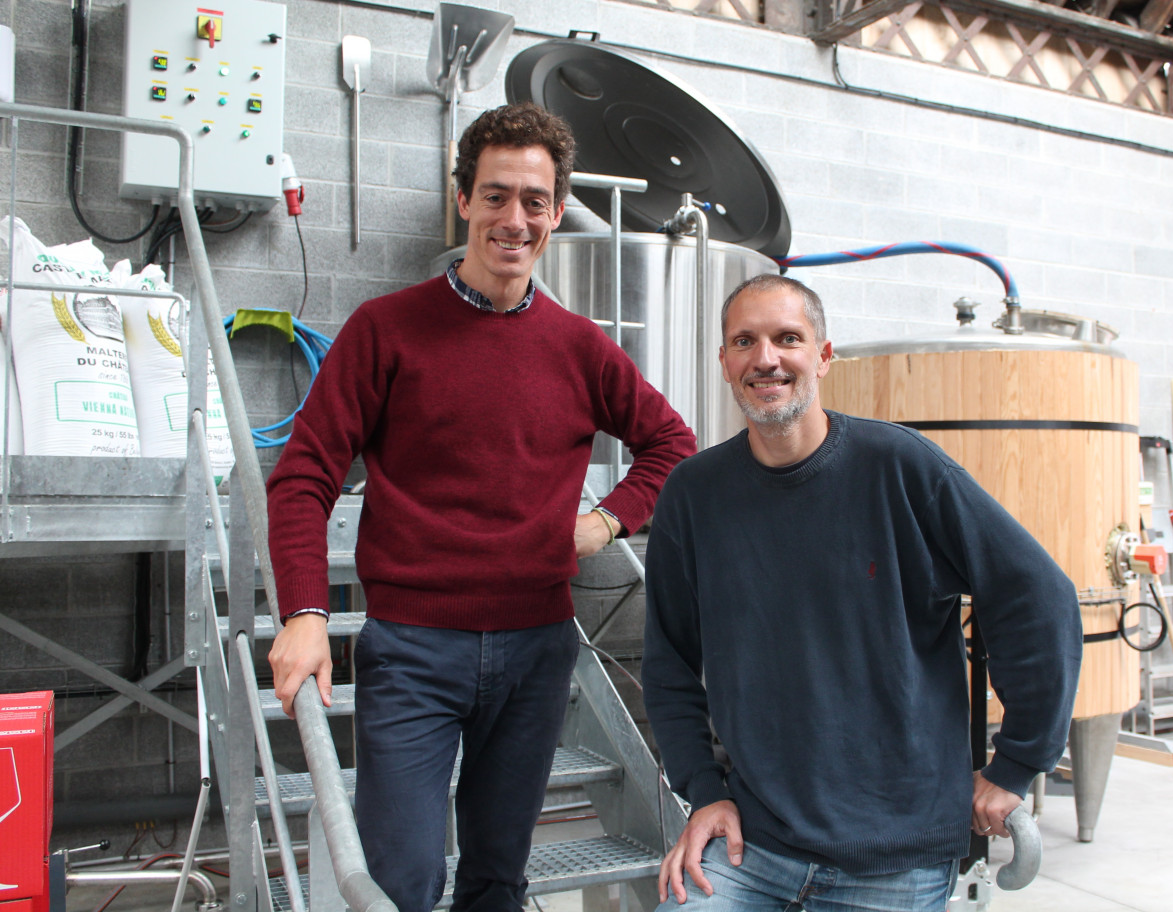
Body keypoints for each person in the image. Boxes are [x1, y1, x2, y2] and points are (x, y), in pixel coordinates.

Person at [266, 101, 695, 912]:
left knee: (498, 878)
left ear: (556, 213)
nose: (514, 218)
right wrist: (305, 611)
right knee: (398, 880)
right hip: (414, 650)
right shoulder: (384, 330)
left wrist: (605, 522)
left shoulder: (578, 347)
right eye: (495, 195)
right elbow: (303, 475)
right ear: (463, 200)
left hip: (537, 652)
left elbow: (673, 446)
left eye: (534, 200)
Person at [641, 274, 1082, 912]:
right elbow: (669, 663)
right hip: (752, 851)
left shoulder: (903, 470)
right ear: (725, 362)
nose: (766, 358)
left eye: (787, 338)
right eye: (746, 341)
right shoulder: (693, 494)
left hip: (894, 859)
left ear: (823, 356)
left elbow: (1036, 595)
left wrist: (1017, 762)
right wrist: (704, 791)